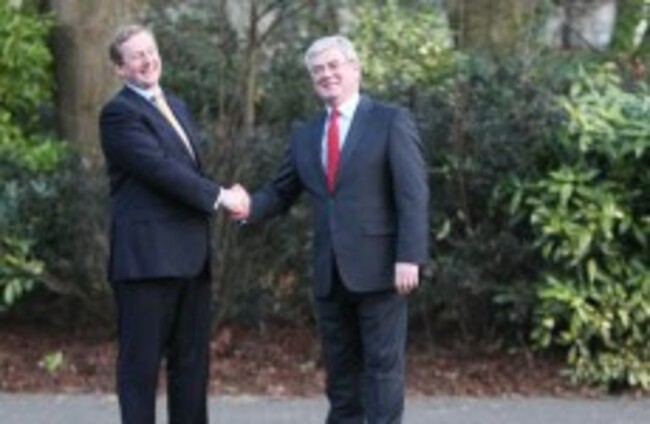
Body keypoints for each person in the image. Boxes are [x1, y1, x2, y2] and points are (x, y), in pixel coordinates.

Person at [229, 35, 429, 423]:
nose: (326, 75)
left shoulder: (390, 120)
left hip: (382, 270)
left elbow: (413, 193)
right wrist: (247, 206)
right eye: (318, 70)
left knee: (383, 371)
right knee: (341, 377)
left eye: (334, 65)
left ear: (355, 69)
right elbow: (280, 191)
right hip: (330, 274)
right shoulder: (306, 134)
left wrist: (410, 256)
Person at [98, 24, 243, 424]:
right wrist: (220, 196)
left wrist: (221, 194)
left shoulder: (176, 105)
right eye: (137, 56)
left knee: (192, 366)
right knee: (140, 369)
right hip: (146, 262)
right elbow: (160, 170)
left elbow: (186, 170)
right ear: (120, 69)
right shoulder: (118, 114)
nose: (148, 61)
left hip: (191, 257)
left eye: (151, 51)